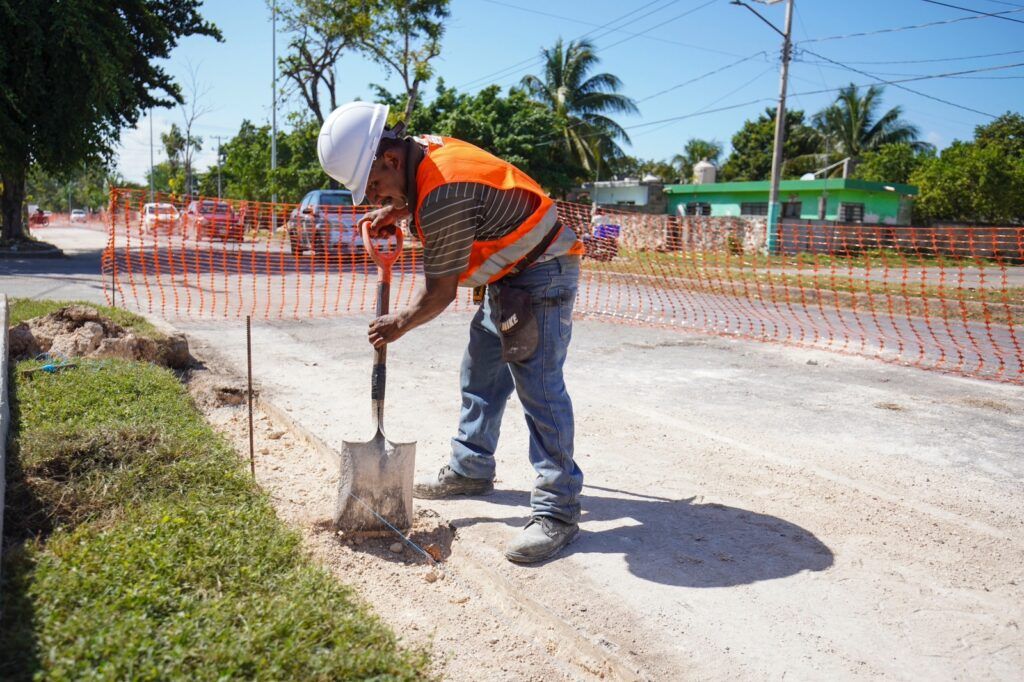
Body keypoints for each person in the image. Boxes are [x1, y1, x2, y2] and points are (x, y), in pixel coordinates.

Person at [318, 101, 585, 563]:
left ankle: (557, 511)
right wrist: (398, 211)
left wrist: (397, 324)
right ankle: (471, 468)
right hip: (507, 271)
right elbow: (434, 198)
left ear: (392, 159)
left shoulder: (443, 191)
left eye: (376, 186)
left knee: (538, 386)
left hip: (542, 270)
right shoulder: (423, 148)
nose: (375, 198)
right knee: (480, 370)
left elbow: (438, 294)